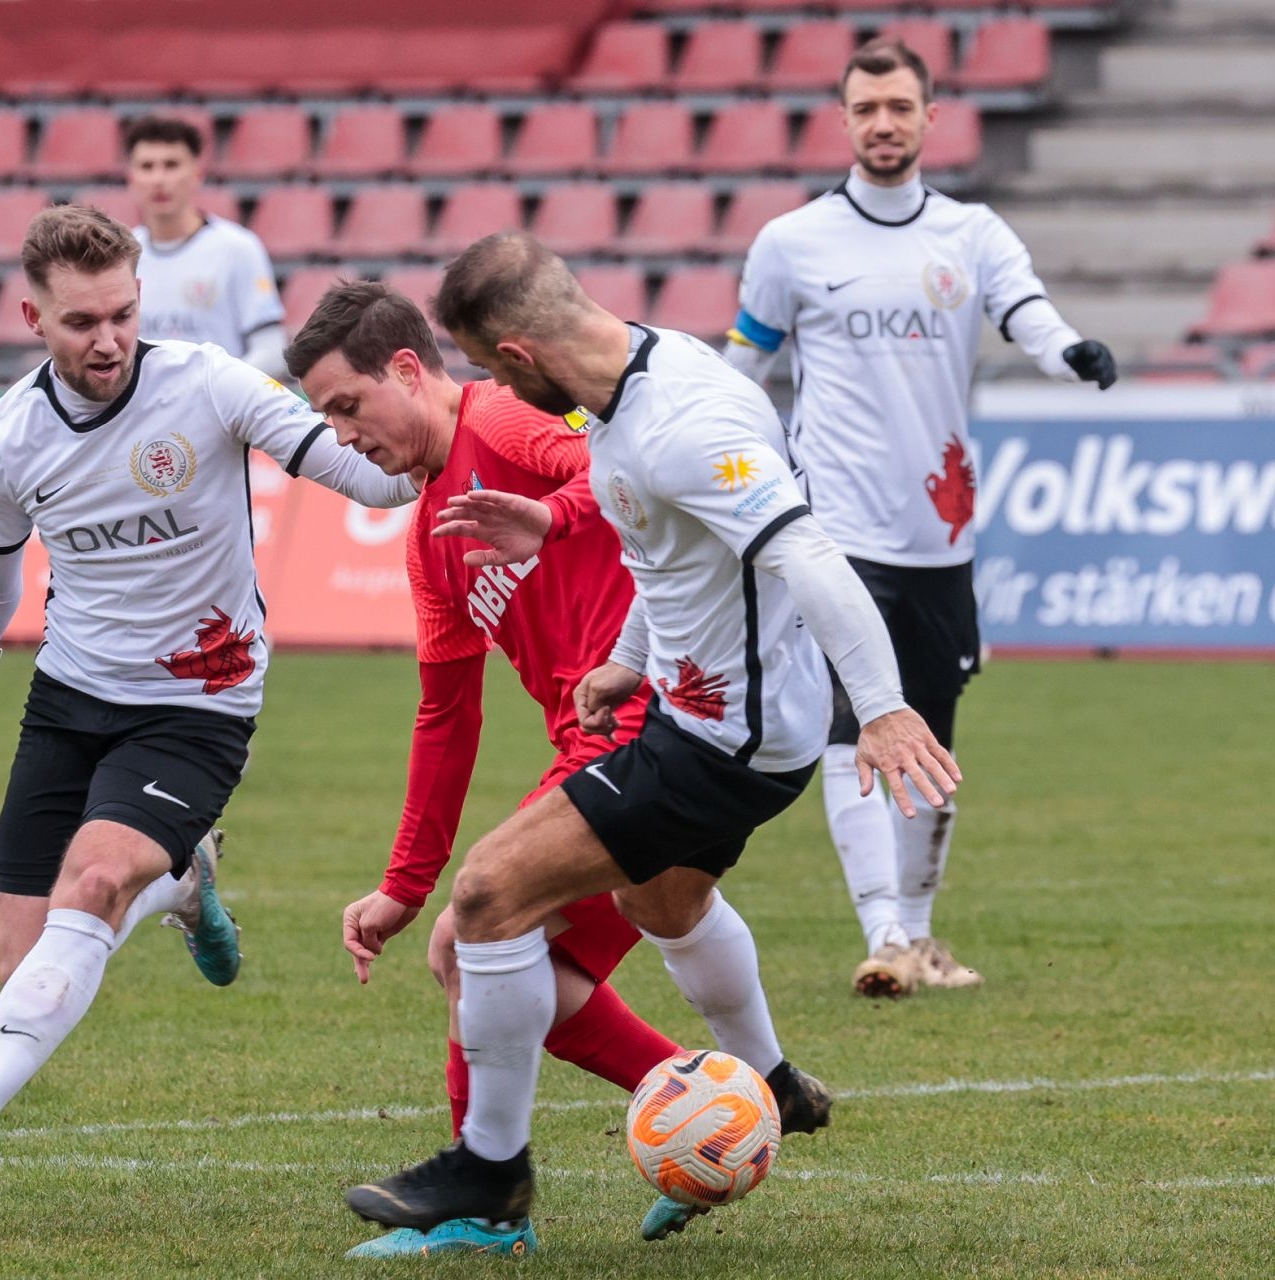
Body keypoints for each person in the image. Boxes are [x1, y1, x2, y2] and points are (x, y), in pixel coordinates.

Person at [345, 232, 959, 1241]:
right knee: (661, 899)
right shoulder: (633, 386)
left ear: (516, 356)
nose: (497, 392)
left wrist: (884, 704)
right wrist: (630, 657)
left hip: (725, 739)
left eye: (493, 369)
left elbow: (805, 552)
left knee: (488, 896)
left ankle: (488, 1175)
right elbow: (667, 552)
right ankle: (770, 1080)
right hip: (700, 712)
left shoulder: (686, 421)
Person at [0, 206, 417, 1193]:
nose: (107, 340)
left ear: (141, 298)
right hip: (69, 697)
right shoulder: (9, 439)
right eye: (80, 322)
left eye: (122, 315)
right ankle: (182, 882)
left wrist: (443, 444)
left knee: (94, 882)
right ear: (32, 318)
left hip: (199, 701)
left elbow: (365, 474)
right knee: (27, 965)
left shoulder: (209, 384)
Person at [289, 281, 682, 1258]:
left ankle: (487, 1203)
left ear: (408, 369)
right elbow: (446, 717)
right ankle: (716, 1104)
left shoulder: (501, 416)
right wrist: (402, 884)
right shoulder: (431, 538)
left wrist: (550, 517)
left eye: (348, 405)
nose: (342, 436)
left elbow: (627, 470)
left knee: (477, 942)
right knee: (507, 968)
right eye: (326, 418)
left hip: (653, 717)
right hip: (606, 741)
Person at [723, 38, 1116, 998]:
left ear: (931, 116)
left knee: (931, 733)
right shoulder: (792, 242)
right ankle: (886, 931)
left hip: (940, 532)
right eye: (867, 108)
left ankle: (920, 935)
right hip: (835, 527)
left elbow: (1026, 310)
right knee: (852, 723)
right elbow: (744, 366)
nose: (884, 123)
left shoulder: (972, 235)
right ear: (844, 120)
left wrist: (1070, 352)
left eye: (900, 106)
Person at [123, 116, 290, 380]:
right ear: (131, 178)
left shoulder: (237, 249)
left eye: (171, 165)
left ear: (196, 175)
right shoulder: (121, 255)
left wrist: (211, 390)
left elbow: (270, 352)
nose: (158, 178)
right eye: (147, 166)